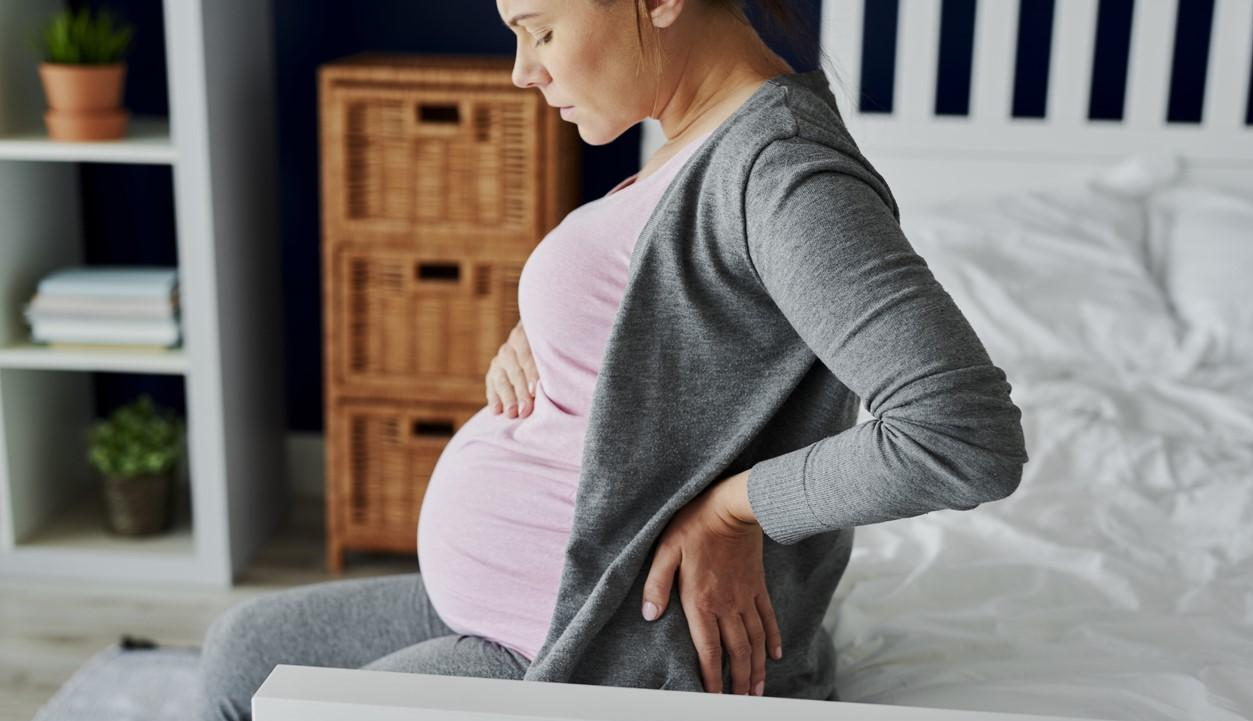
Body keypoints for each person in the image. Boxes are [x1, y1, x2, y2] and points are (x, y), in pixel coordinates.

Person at [200, 0, 1030, 717]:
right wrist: (542, 336)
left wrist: (734, 509)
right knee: (239, 648)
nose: (522, 71)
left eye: (541, 31)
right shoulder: (695, 139)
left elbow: (959, 435)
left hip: (591, 646)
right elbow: (691, 343)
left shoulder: (784, 172)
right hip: (534, 602)